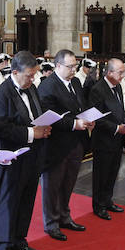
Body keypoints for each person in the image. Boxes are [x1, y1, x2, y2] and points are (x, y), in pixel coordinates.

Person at [0, 51, 51, 250]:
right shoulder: (0, 94)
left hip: (32, 155)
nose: (32, 80)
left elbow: (34, 114)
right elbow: (1, 128)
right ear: (15, 72)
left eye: (34, 75)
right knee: (7, 202)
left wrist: (44, 125)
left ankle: (19, 239)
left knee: (26, 198)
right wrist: (34, 133)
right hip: (11, 157)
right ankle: (1, 246)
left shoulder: (31, 88)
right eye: (29, 75)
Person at [39, 49, 94, 237]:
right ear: (58, 66)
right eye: (70, 67)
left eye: (75, 66)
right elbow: (49, 116)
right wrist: (74, 124)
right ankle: (51, 222)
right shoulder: (47, 86)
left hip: (76, 142)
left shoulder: (76, 82)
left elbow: (81, 105)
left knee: (69, 182)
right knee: (52, 185)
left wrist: (88, 118)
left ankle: (64, 215)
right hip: (56, 144)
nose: (74, 70)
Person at [89, 59, 125, 219]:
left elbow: (120, 110)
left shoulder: (118, 86)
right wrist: (117, 128)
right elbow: (97, 118)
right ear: (109, 73)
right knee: (102, 174)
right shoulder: (98, 89)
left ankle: (108, 200)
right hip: (103, 139)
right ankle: (98, 205)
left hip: (117, 139)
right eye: (120, 72)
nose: (123, 75)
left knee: (113, 172)